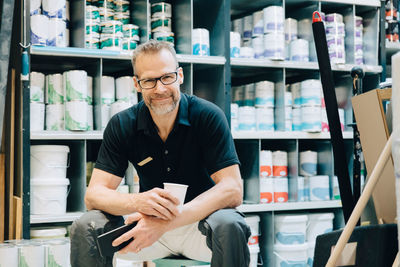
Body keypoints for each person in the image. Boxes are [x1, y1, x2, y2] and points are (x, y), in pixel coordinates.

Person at [70, 40, 251, 267]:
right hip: (147, 230)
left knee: (229, 224)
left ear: (180, 76)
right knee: (87, 225)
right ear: (137, 84)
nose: (160, 88)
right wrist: (138, 201)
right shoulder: (123, 124)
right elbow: (94, 195)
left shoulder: (207, 116)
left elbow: (233, 190)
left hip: (200, 228)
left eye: (167, 77)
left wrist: (167, 222)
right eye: (149, 81)